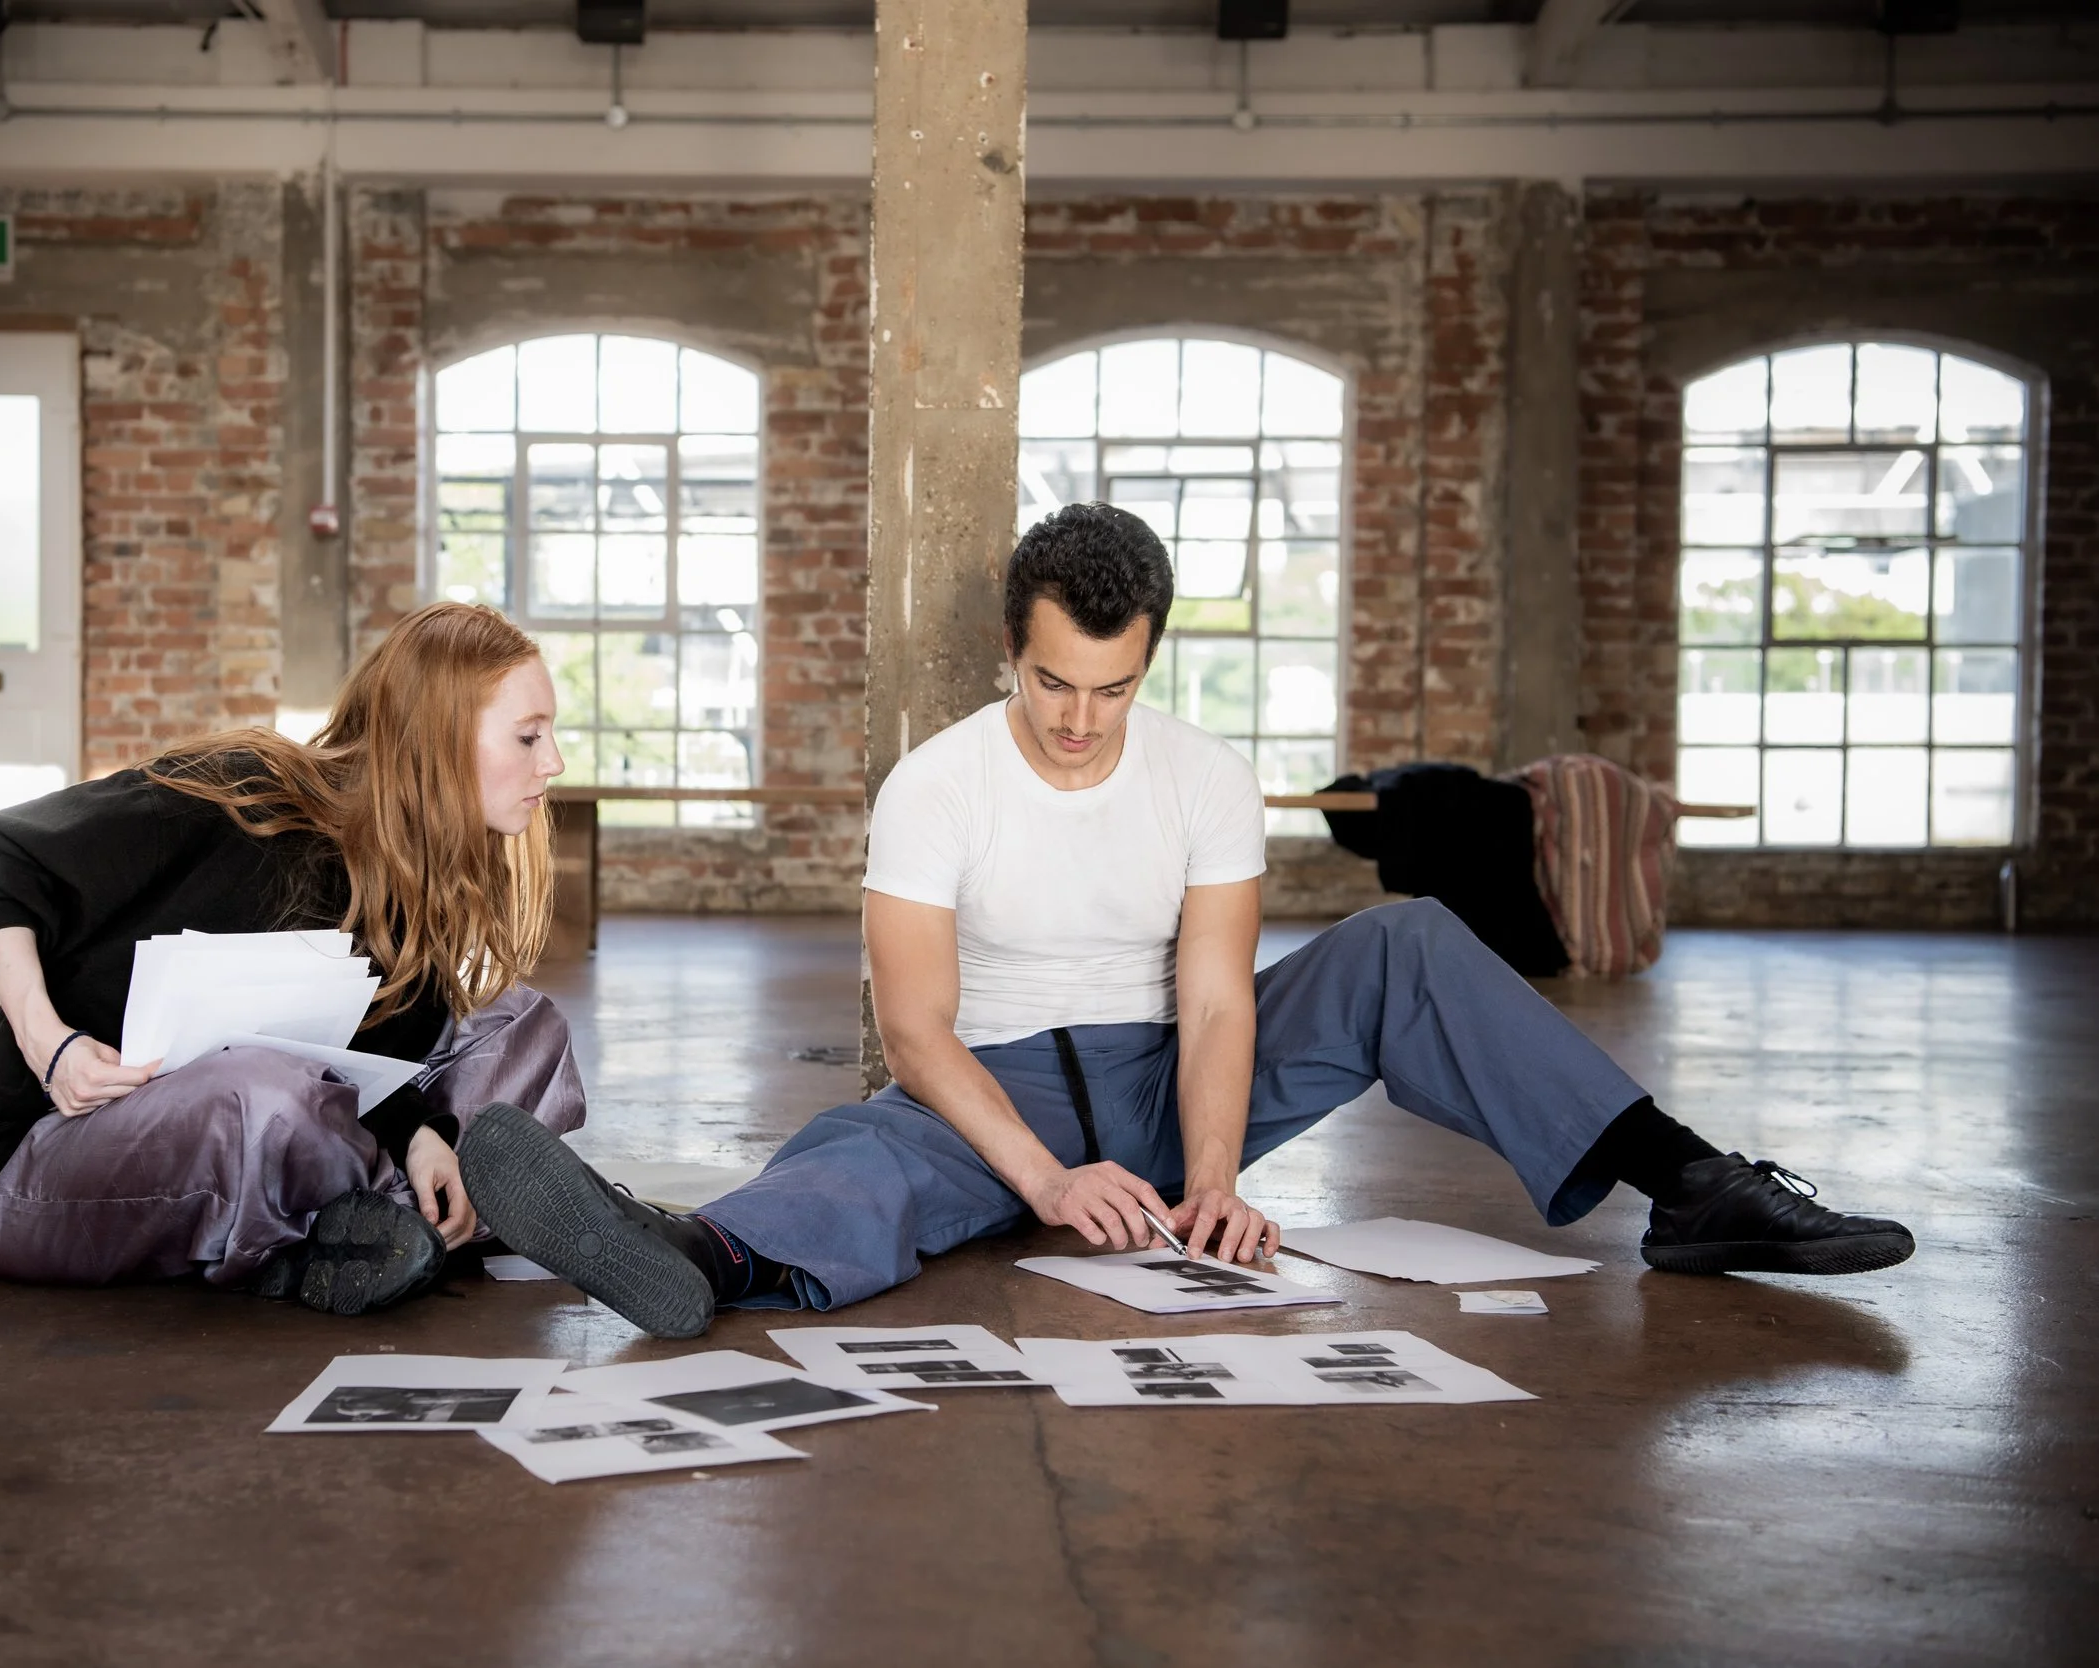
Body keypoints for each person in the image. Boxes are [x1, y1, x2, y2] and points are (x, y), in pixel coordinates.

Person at [459, 503, 1916, 1340]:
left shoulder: (1205, 776)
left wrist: (1210, 1176)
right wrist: (1043, 1181)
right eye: (1053, 686)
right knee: (865, 1150)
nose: (1084, 722)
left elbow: (1222, 1002)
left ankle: (1701, 1189)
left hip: (1177, 1070)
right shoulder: (935, 785)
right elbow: (914, 1022)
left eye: (1116, 688)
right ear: (1009, 656)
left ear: (1147, 660)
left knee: (1404, 945)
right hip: (1003, 1083)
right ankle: (688, 1257)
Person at [0, 602, 584, 1315]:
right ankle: (400, 1224)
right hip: (30, 1175)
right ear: (435, 741)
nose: (553, 762)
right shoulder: (238, 793)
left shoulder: (418, 892)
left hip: (273, 1140)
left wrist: (420, 1136)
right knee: (265, 1094)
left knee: (522, 1025)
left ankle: (406, 1220)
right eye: (529, 737)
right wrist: (49, 1043)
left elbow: (357, 1061)